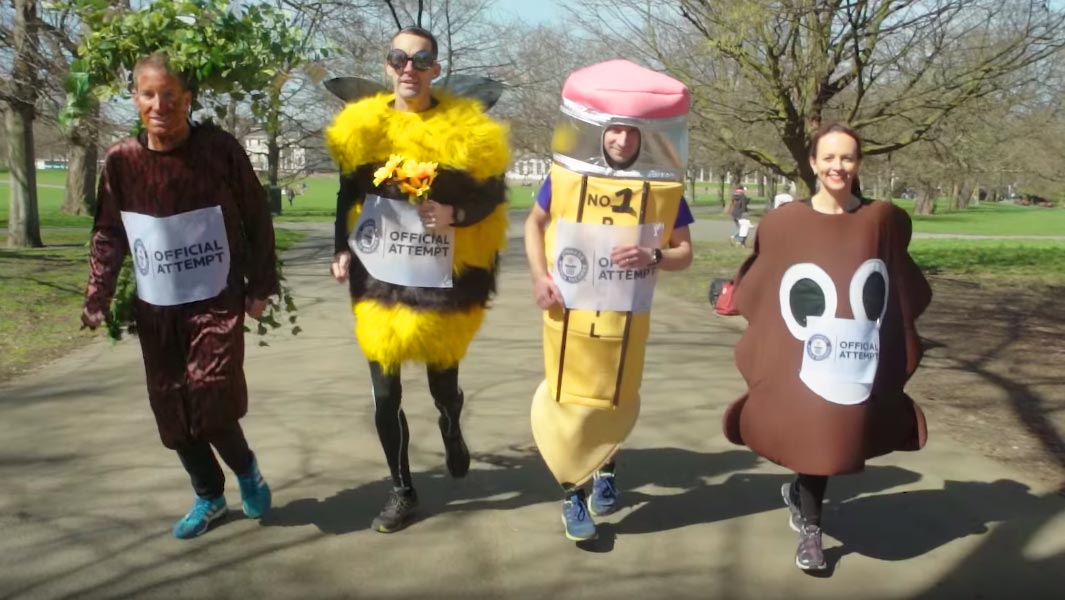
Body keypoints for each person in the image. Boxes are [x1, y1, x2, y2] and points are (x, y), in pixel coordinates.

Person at [81, 52, 276, 540]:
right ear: (135, 100)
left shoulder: (219, 150)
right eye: (149, 94)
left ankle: (247, 470)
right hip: (158, 305)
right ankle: (209, 495)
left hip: (215, 298)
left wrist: (262, 284)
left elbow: (256, 217)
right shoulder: (122, 162)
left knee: (210, 397)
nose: (160, 104)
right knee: (171, 407)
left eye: (170, 95)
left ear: (187, 100)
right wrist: (98, 291)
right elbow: (109, 231)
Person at [324, 26, 510, 533]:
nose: (409, 67)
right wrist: (341, 249)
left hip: (440, 277)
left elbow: (492, 195)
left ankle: (451, 424)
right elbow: (346, 194)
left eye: (421, 59)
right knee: (385, 392)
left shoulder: (465, 131)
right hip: (379, 272)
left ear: (436, 69)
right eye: (399, 58)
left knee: (441, 383)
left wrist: (456, 214)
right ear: (387, 66)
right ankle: (401, 489)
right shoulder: (362, 129)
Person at [722, 123, 932, 570]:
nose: (839, 166)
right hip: (803, 352)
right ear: (814, 163)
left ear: (858, 164)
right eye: (830, 158)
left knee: (839, 433)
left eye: (848, 158)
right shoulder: (785, 223)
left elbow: (899, 280)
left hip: (857, 354)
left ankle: (802, 494)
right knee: (819, 431)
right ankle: (812, 531)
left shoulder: (880, 220)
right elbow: (762, 279)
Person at [525, 59, 693, 542]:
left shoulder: (664, 191)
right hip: (567, 313)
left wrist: (653, 253)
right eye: (614, 130)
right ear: (600, 131)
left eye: (631, 131)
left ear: (644, 136)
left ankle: (606, 468)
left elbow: (683, 254)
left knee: (612, 396)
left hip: (625, 320)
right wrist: (540, 277)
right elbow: (534, 225)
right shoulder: (564, 178)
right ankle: (571, 491)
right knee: (569, 398)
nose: (621, 140)